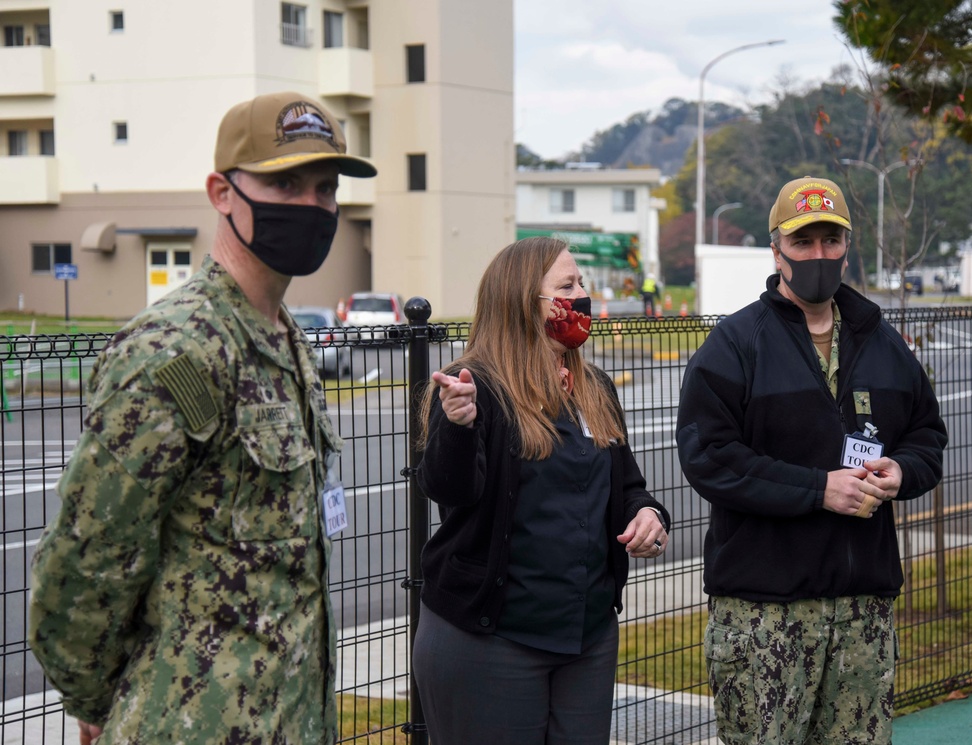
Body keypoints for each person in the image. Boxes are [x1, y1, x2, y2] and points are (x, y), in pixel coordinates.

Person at [28, 91, 377, 744]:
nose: (312, 206)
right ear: (222, 192)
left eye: (326, 188)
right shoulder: (174, 350)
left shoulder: (286, 342)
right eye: (286, 183)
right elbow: (82, 569)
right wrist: (106, 704)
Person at [676, 176, 947, 745]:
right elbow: (709, 456)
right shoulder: (735, 344)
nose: (818, 255)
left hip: (863, 612)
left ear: (847, 246)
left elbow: (926, 432)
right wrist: (816, 489)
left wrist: (903, 470)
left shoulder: (882, 340)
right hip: (765, 613)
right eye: (803, 243)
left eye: (830, 240)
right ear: (777, 250)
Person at [412, 236, 671, 745]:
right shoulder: (480, 386)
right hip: (492, 640)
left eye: (581, 283)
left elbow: (628, 488)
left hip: (587, 637)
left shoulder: (593, 387)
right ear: (520, 301)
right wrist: (458, 425)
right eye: (566, 285)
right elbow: (450, 491)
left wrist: (649, 516)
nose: (581, 296)